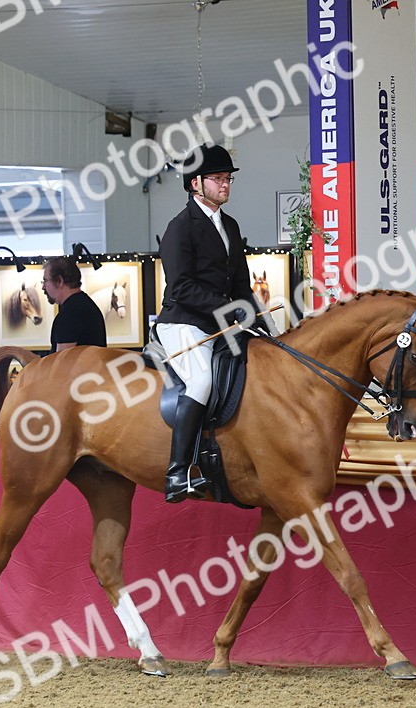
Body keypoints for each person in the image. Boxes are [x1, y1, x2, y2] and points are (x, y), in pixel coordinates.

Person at [155, 143, 262, 503]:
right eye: (217, 178)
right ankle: (177, 472)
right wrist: (228, 308)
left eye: (228, 178)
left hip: (220, 323)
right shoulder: (180, 228)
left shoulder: (229, 225)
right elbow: (181, 287)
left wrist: (259, 319)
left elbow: (241, 285)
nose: (225, 183)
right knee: (201, 381)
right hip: (184, 322)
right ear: (195, 184)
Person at [42, 255, 107, 353]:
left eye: (45, 281)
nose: (43, 287)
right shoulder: (85, 305)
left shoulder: (70, 313)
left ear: (59, 281)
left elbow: (62, 360)